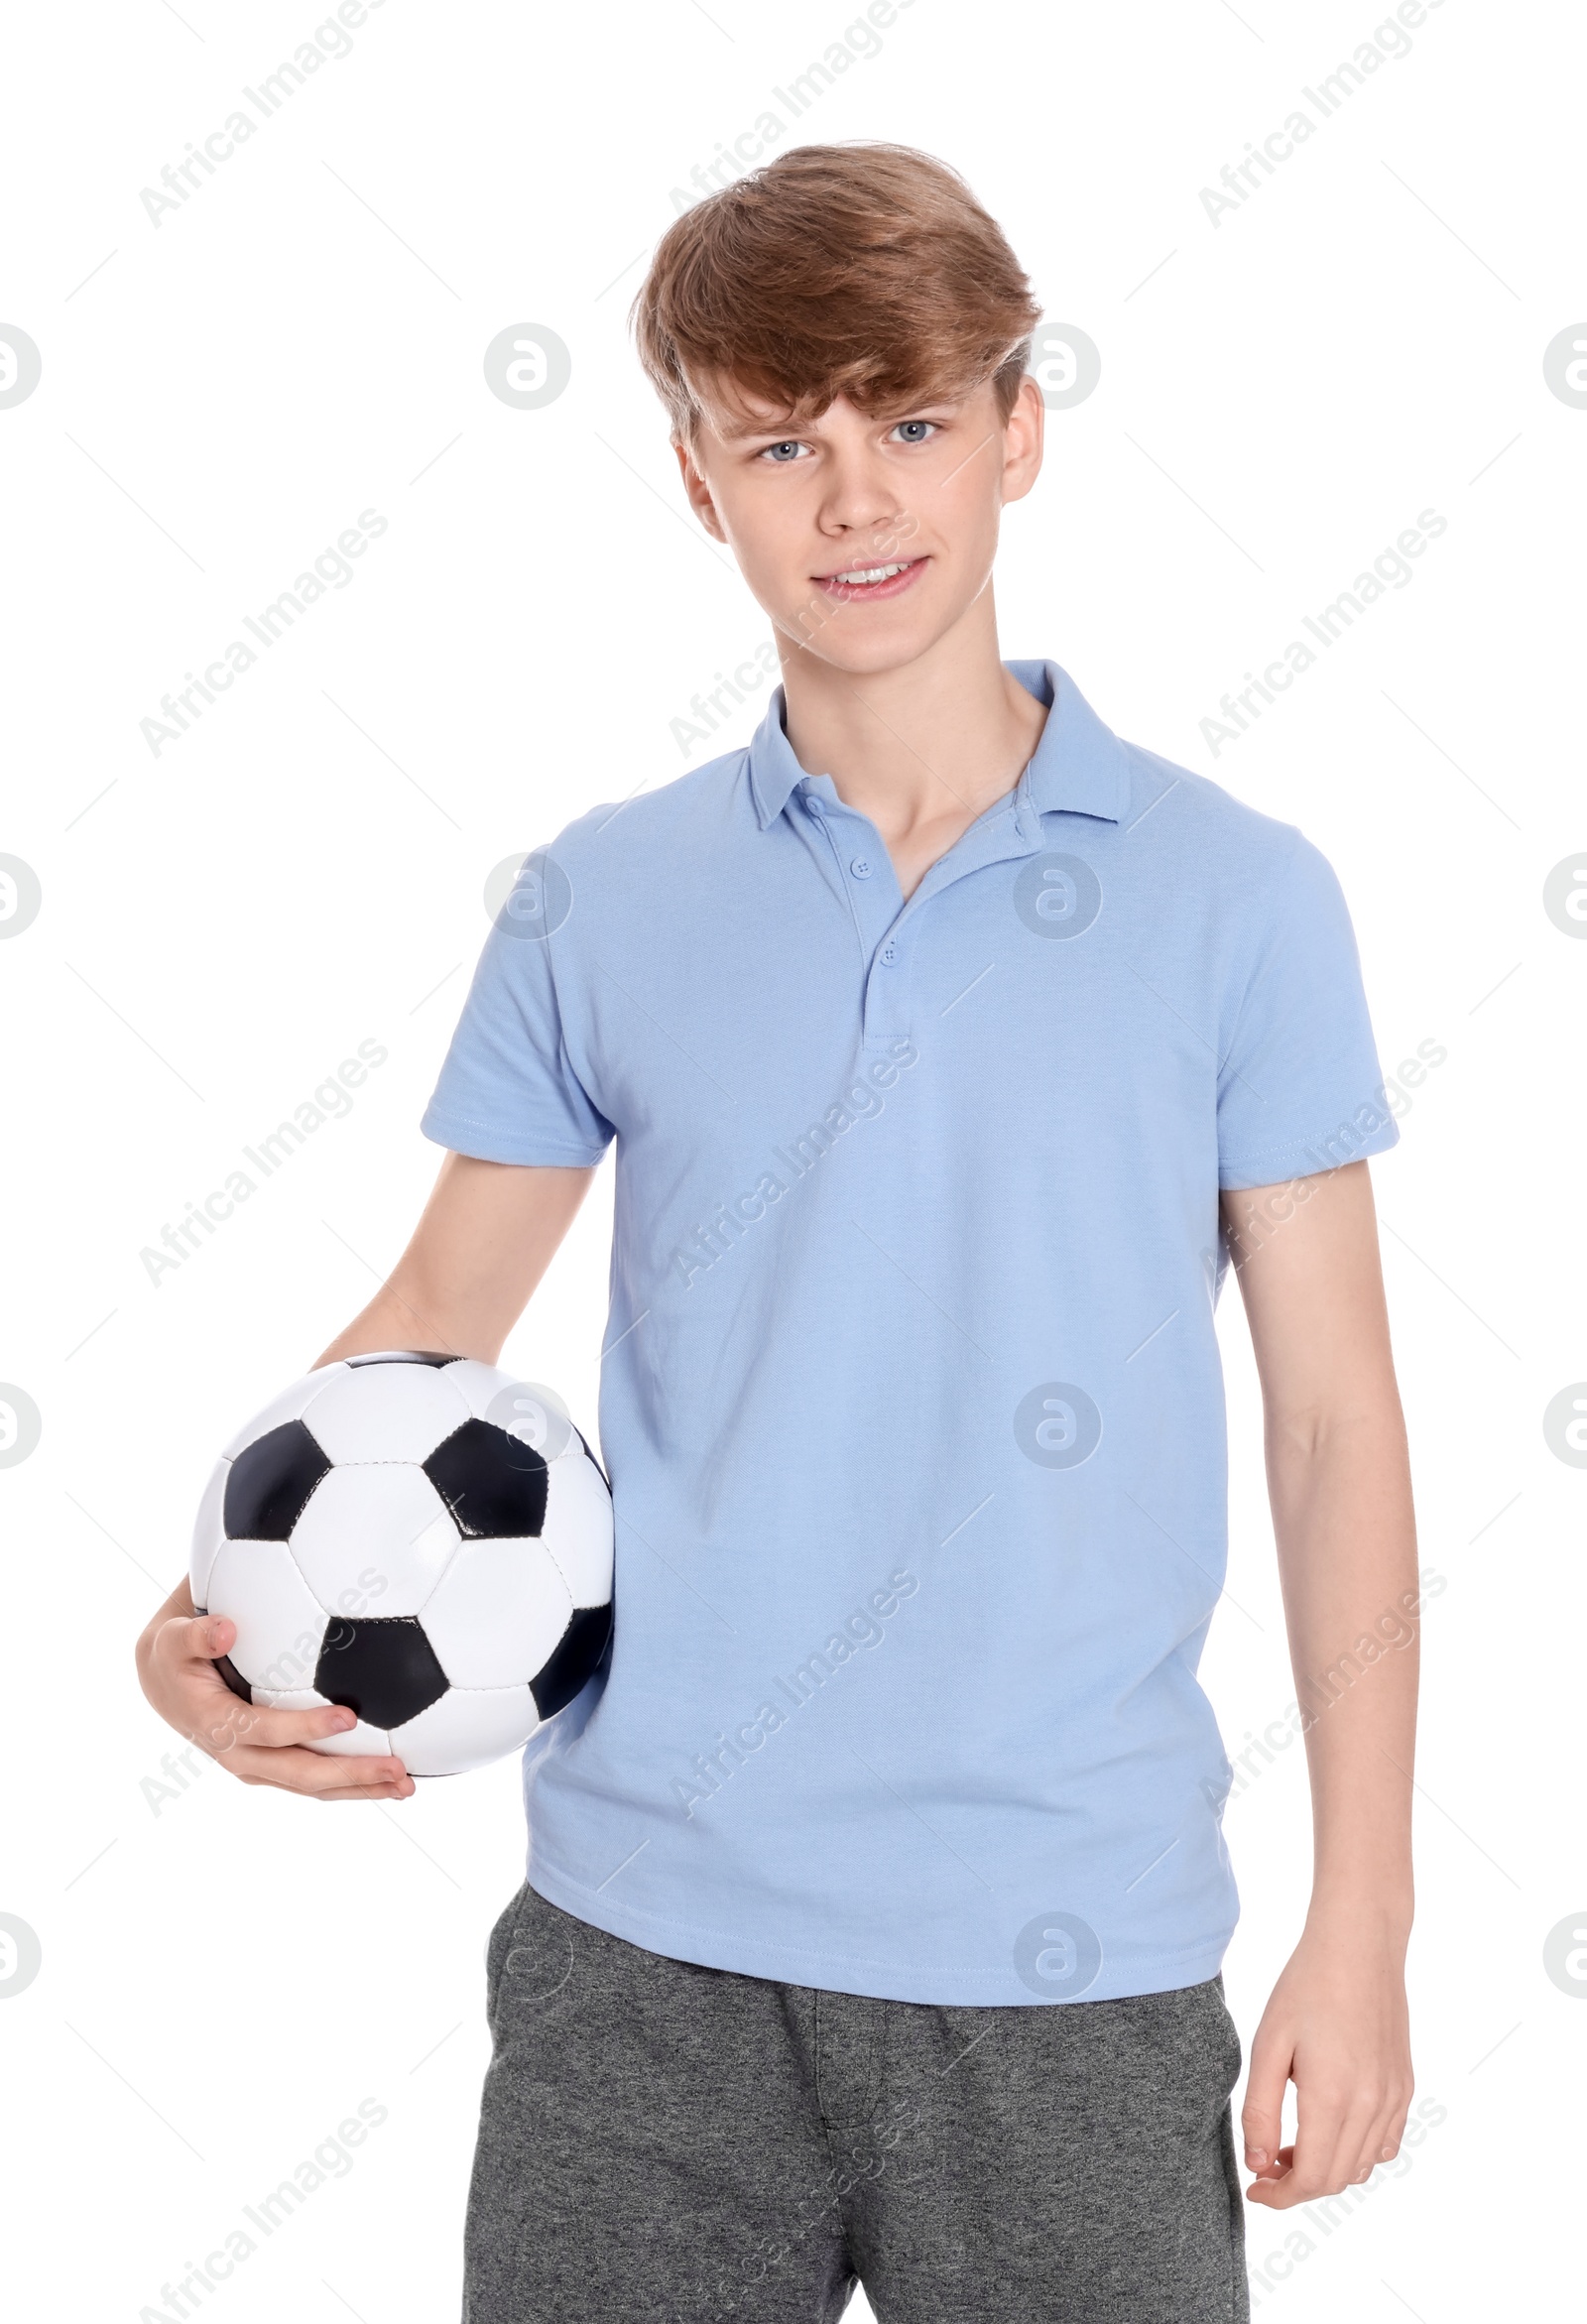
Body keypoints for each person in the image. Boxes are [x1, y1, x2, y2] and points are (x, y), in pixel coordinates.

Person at [137, 142, 1419, 2323]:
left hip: (1070, 1964)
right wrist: (210, 1607)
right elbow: (434, 1325)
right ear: (693, 479)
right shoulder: (601, 898)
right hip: (644, 1963)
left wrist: (1360, 1923)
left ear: (1017, 427)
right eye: (778, 440)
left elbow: (1329, 1425)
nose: (852, 499)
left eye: (908, 421)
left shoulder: (1236, 899)